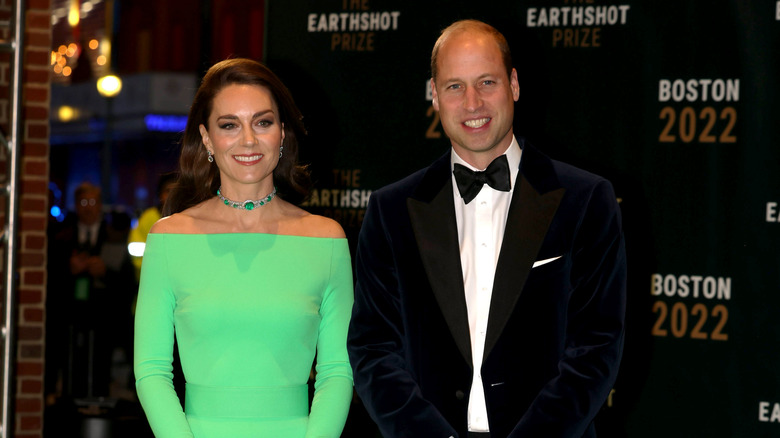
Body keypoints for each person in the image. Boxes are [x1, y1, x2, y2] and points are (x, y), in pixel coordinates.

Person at [347, 19, 626, 438]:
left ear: (513, 85)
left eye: (487, 82)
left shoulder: (585, 200)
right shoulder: (391, 211)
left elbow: (595, 349)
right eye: (455, 86)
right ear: (435, 96)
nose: (472, 102)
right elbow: (373, 350)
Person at [133, 58, 354, 437]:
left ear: (282, 133)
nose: (248, 140)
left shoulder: (326, 239)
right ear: (206, 138)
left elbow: (338, 370)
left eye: (263, 122)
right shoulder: (169, 239)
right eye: (229, 125)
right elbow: (151, 370)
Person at [46, 182, 137, 402]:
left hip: (105, 318)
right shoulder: (61, 237)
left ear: (100, 206)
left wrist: (104, 272)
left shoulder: (116, 236)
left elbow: (129, 284)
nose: (88, 208)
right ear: (76, 205)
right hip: (69, 317)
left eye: (93, 202)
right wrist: (69, 270)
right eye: (83, 202)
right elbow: (47, 280)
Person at [128, 172, 177, 279]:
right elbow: (136, 250)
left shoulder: (189, 218)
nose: (172, 196)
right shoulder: (148, 217)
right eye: (168, 191)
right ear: (160, 194)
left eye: (176, 191)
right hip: (149, 277)